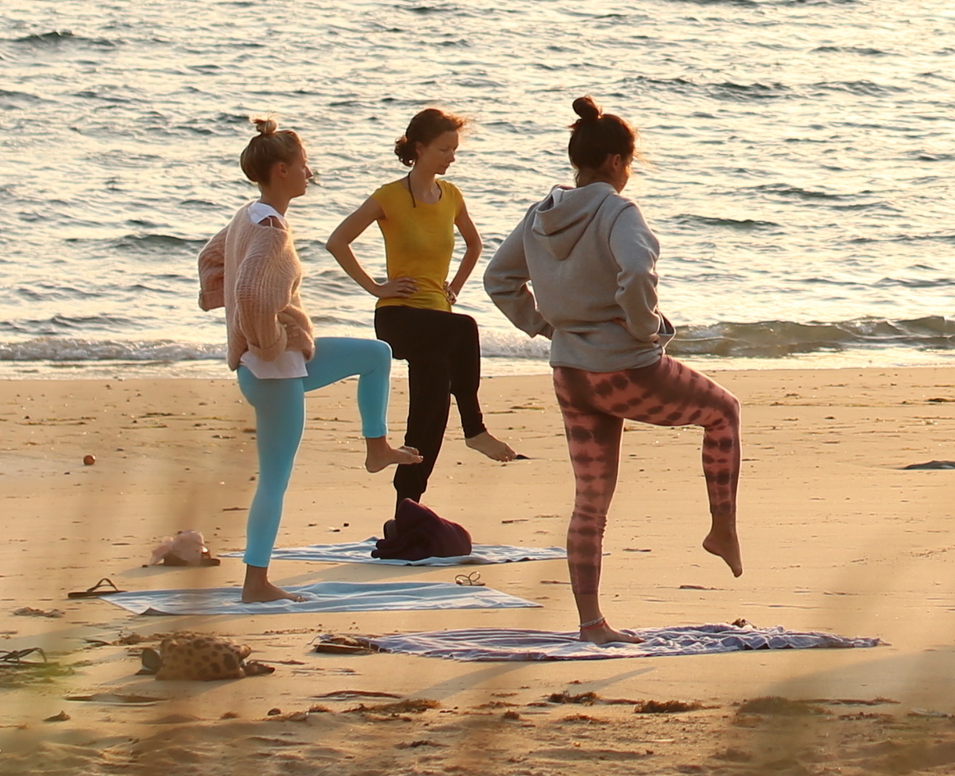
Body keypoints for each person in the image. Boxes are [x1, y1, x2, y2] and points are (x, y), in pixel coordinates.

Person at [483, 96, 745, 642]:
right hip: (624, 368)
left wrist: (545, 325)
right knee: (723, 412)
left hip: (571, 374)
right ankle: (722, 528)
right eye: (629, 162)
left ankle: (592, 623)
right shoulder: (617, 211)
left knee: (590, 502)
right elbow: (637, 274)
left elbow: (498, 280)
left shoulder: (540, 213)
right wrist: (645, 330)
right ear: (615, 162)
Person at [209, 120, 421, 602]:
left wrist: (238, 326)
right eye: (303, 164)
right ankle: (256, 582)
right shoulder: (268, 230)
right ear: (282, 170)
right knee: (274, 481)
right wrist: (263, 342)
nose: (311, 172)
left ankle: (377, 448)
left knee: (376, 354)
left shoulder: (251, 214)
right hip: (273, 370)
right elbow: (248, 291)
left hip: (279, 360)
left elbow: (213, 258)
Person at [327, 107, 521, 512]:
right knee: (466, 328)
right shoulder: (389, 197)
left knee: (430, 414)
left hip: (437, 321)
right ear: (419, 149)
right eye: (443, 149)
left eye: (454, 149)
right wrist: (376, 287)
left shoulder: (451, 197)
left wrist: (454, 287)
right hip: (398, 316)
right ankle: (476, 429)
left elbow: (474, 244)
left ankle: (408, 506)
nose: (451, 157)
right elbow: (337, 241)